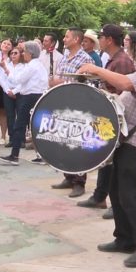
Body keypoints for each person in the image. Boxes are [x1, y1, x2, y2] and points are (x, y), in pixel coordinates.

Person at [77, 21, 136, 268]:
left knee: (131, 194)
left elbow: (127, 84)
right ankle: (124, 239)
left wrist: (96, 70)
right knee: (117, 192)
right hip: (128, 138)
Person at [77, 24, 135, 217]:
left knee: (115, 164)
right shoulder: (113, 59)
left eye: (101, 37)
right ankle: (99, 196)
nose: (99, 40)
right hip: (107, 116)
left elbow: (124, 93)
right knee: (106, 160)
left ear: (109, 39)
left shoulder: (123, 61)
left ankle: (115, 204)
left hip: (117, 118)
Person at [48, 28, 95, 197]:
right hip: (62, 103)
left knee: (77, 145)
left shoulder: (85, 59)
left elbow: (87, 82)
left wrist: (60, 81)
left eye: (67, 36)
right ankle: (68, 176)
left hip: (77, 107)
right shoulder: (64, 56)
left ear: (76, 39)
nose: (64, 39)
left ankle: (79, 182)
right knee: (63, 142)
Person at [0, 41, 47, 166]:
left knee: (19, 125)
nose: (23, 54)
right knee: (35, 126)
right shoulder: (38, 65)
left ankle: (14, 155)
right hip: (37, 96)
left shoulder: (32, 66)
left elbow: (18, 80)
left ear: (30, 53)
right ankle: (40, 155)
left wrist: (6, 69)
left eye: (24, 51)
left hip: (30, 96)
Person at [0, 39, 23, 149]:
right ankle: (12, 138)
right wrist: (8, 90)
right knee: (10, 116)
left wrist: (14, 91)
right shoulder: (6, 65)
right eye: (12, 53)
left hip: (19, 93)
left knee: (20, 116)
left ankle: (20, 139)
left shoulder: (23, 67)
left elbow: (23, 81)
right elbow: (2, 80)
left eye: (15, 53)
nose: (13, 55)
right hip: (7, 93)